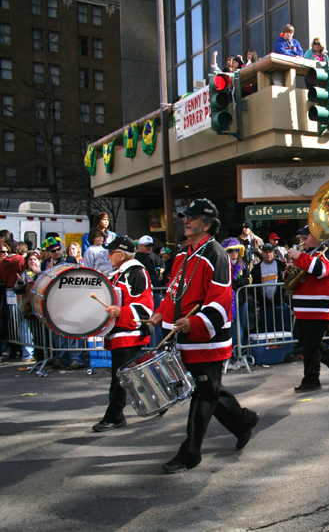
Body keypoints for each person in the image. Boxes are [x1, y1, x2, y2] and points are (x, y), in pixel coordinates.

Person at [151, 199, 259, 474]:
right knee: (208, 390)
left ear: (207, 224)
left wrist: (195, 322)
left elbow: (221, 300)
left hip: (207, 337)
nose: (185, 221)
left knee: (204, 392)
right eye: (185, 217)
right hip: (186, 334)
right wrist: (161, 312)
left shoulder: (216, 254)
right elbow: (176, 291)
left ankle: (191, 453)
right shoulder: (182, 254)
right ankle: (244, 421)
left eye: (192, 217)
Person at [92, 236, 154, 432]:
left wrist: (122, 312)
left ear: (121, 254)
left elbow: (146, 308)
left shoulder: (137, 273)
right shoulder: (117, 274)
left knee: (119, 378)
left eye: (111, 252)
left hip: (129, 333)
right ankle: (159, 400)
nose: (108, 256)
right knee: (128, 376)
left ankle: (114, 416)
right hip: (119, 333)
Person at [286, 225, 329, 392]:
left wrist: (299, 258)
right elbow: (295, 280)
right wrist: (289, 270)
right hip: (303, 309)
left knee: (310, 347)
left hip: (319, 308)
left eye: (306, 237)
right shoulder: (307, 256)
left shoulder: (328, 254)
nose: (303, 240)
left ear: (318, 237)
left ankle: (312, 380)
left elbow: (320, 270)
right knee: (308, 343)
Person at [252, 243, 287, 332]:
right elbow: (252, 286)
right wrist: (259, 298)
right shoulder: (256, 268)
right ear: (262, 254)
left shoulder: (281, 265)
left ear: (273, 253)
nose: (268, 254)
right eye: (266, 252)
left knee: (282, 328)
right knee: (268, 329)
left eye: (270, 252)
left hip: (280, 302)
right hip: (265, 304)